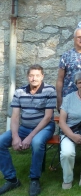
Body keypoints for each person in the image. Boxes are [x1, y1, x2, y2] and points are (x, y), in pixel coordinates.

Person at [0, 65, 56, 196]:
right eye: (31, 75)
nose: (34, 78)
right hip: (24, 127)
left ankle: (34, 179)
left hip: (45, 127)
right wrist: (15, 136)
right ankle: (11, 179)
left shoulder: (50, 90)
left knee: (36, 142)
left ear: (42, 76)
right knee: (1, 141)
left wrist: (29, 137)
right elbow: (15, 116)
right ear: (27, 77)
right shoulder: (20, 92)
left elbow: (48, 117)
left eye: (37, 75)